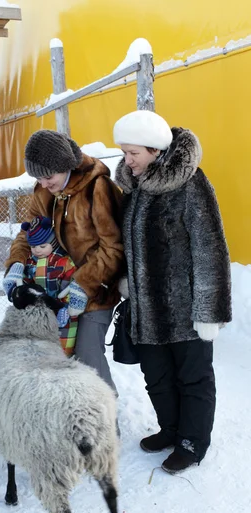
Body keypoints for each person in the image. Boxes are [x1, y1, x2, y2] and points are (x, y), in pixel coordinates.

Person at [113, 109, 232, 474]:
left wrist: (209, 312)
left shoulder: (191, 185)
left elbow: (210, 249)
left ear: (155, 151)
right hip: (146, 308)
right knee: (157, 376)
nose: (126, 160)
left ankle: (192, 442)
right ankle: (171, 429)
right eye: (125, 152)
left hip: (185, 310)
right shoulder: (135, 188)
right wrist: (126, 282)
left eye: (133, 152)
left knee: (193, 377)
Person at [3, 129, 125, 391]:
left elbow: (114, 247)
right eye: (38, 177)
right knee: (55, 361)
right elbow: (28, 234)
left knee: (88, 358)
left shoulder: (97, 188)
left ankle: (103, 423)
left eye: (48, 176)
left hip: (95, 292)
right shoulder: (44, 191)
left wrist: (84, 283)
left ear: (65, 166)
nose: (44, 184)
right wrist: (16, 264)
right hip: (54, 291)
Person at [20, 215, 78, 356]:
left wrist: (66, 306)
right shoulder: (30, 262)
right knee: (42, 346)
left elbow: (71, 285)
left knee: (64, 344)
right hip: (39, 313)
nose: (37, 250)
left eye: (42, 246)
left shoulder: (64, 262)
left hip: (63, 312)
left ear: (53, 242)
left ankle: (66, 363)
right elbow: (26, 283)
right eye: (33, 246)